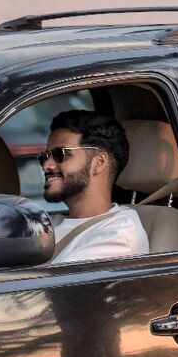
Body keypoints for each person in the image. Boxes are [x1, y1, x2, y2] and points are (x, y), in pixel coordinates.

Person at [40, 110, 149, 264]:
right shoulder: (52, 222)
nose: (46, 166)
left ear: (99, 163)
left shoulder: (118, 237)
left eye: (60, 154)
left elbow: (47, 285)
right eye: (44, 157)